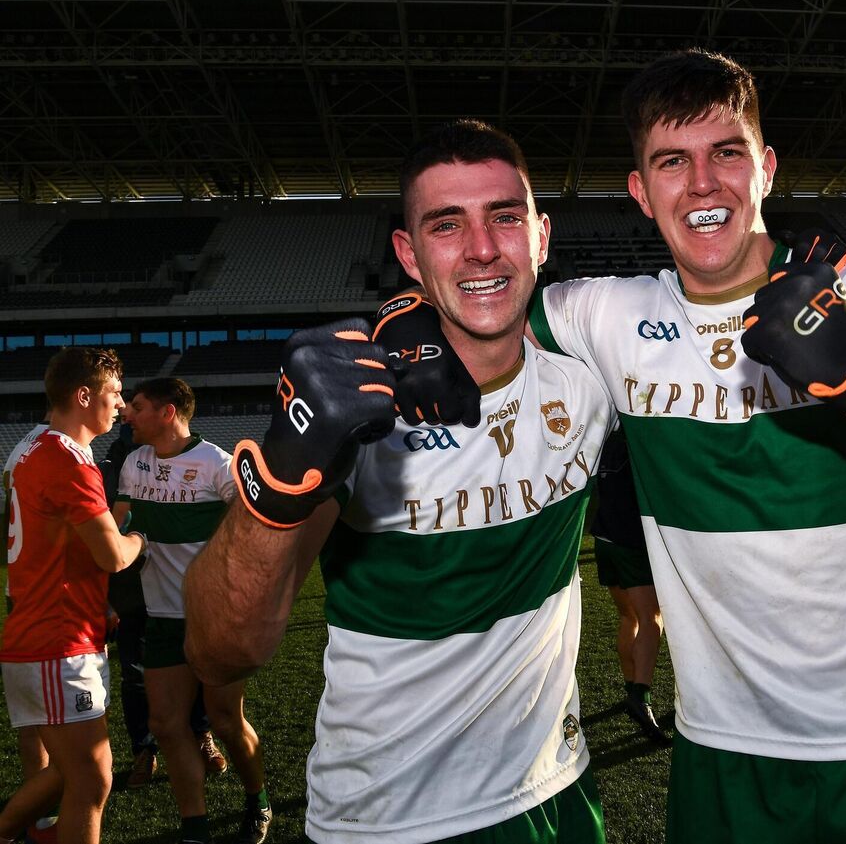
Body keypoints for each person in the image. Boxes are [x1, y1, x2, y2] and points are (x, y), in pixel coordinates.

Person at [525, 49, 846, 842]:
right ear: (639, 191)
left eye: (726, 152)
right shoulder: (605, 316)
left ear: (763, 168)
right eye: (671, 161)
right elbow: (478, 306)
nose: (701, 183)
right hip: (726, 763)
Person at [184, 120, 616, 843]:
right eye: (447, 225)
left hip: (560, 788)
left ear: (541, 236)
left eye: (505, 217)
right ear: (408, 255)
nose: (482, 248)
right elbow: (218, 651)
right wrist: (281, 485)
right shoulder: (361, 416)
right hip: (389, 821)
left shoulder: (586, 383)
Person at [0, 347, 148, 844]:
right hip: (55, 638)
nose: (122, 405)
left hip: (49, 629)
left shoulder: (32, 446)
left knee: (76, 770)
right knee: (90, 777)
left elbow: (57, 542)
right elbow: (112, 555)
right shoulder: (66, 458)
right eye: (114, 394)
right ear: (84, 396)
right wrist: (139, 538)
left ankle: (18, 830)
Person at [113, 378, 267, 844]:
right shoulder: (134, 461)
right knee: (165, 723)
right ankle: (194, 828)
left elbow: (254, 525)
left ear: (168, 411)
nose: (126, 413)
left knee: (224, 720)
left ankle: (256, 800)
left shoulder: (216, 463)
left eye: (136, 406)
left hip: (215, 615)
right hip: (160, 614)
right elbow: (119, 524)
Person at [98, 420, 226, 791]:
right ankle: (144, 749)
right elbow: (110, 529)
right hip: (131, 588)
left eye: (138, 409)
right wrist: (106, 593)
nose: (128, 415)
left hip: (179, 589)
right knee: (134, 675)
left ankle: (201, 733)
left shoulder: (191, 458)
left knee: (198, 663)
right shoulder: (117, 462)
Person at [590, 426, 669, 746]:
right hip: (630, 541)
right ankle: (640, 694)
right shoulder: (642, 441)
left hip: (604, 538)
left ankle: (629, 689)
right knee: (652, 619)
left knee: (630, 618)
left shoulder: (607, 440)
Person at [2, 417, 59, 844]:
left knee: (33, 723)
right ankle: (34, 817)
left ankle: (36, 816)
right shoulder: (59, 450)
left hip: (20, 590)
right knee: (84, 752)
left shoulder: (23, 447)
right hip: (48, 599)